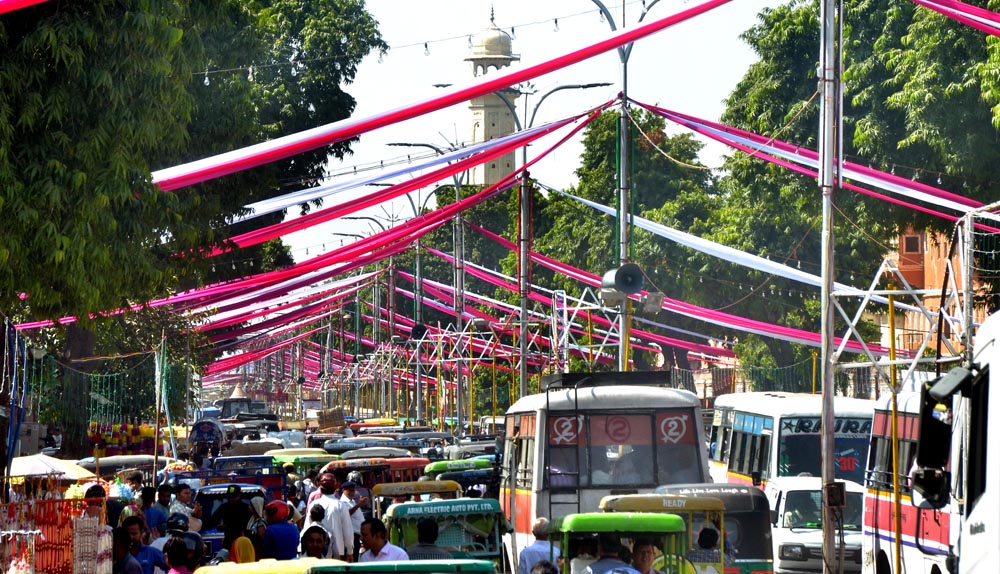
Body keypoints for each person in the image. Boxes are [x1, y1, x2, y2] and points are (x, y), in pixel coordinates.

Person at [305, 472, 354, 559]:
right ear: (335, 487)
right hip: (337, 553)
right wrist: (350, 552)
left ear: (320, 487)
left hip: (316, 552)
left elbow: (307, 528)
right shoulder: (341, 505)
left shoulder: (314, 504)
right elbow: (348, 531)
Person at [205, 484, 251, 551]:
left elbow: (249, 526)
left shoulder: (246, 508)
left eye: (233, 497)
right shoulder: (224, 507)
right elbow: (212, 520)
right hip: (228, 541)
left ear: (239, 496)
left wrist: (227, 527)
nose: (231, 499)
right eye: (230, 497)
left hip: (243, 541)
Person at [341, 480, 368, 561]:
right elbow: (347, 514)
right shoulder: (343, 502)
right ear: (344, 490)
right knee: (353, 558)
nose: (352, 493)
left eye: (353, 490)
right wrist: (359, 504)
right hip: (351, 535)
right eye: (350, 490)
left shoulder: (352, 501)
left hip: (357, 535)